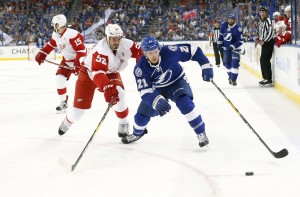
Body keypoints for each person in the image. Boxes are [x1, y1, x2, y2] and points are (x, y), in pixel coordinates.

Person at [121, 36, 213, 149]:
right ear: (145, 53)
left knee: (185, 103)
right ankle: (137, 133)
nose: (154, 55)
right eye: (150, 53)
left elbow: (193, 50)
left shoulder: (170, 51)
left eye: (155, 51)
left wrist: (205, 65)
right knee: (142, 114)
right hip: (158, 89)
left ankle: (201, 133)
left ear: (159, 49)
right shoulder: (140, 68)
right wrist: (154, 101)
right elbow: (144, 91)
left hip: (177, 82)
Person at [58, 24, 143, 138]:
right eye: (113, 38)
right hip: (88, 74)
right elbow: (98, 73)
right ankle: (68, 121)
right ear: (107, 38)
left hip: (110, 72)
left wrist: (142, 64)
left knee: (119, 93)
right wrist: (106, 87)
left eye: (118, 38)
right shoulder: (101, 50)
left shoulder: (127, 44)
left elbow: (141, 52)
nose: (117, 41)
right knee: (78, 112)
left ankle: (123, 123)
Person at [35, 14, 87, 113]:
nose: (53, 26)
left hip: (80, 61)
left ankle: (108, 94)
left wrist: (78, 63)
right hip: (67, 61)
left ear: (58, 24)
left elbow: (82, 51)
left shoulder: (72, 34)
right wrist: (42, 53)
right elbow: (50, 45)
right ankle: (63, 102)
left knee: (92, 81)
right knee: (59, 79)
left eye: (54, 24)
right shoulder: (56, 35)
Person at [218, 14, 243, 86]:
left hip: (235, 50)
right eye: (229, 19)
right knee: (227, 65)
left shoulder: (238, 29)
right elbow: (221, 37)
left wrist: (232, 46)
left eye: (232, 19)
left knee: (235, 64)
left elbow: (240, 41)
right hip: (226, 50)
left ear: (234, 20)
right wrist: (219, 44)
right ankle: (230, 77)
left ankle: (233, 79)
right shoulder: (224, 26)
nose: (230, 20)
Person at [256, 6, 274, 87]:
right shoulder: (261, 21)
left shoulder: (268, 21)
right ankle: (266, 78)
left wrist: (264, 41)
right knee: (262, 59)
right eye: (261, 12)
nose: (262, 13)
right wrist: (258, 39)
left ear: (266, 13)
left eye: (264, 12)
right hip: (264, 43)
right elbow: (259, 31)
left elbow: (270, 32)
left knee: (265, 59)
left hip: (268, 43)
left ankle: (268, 79)